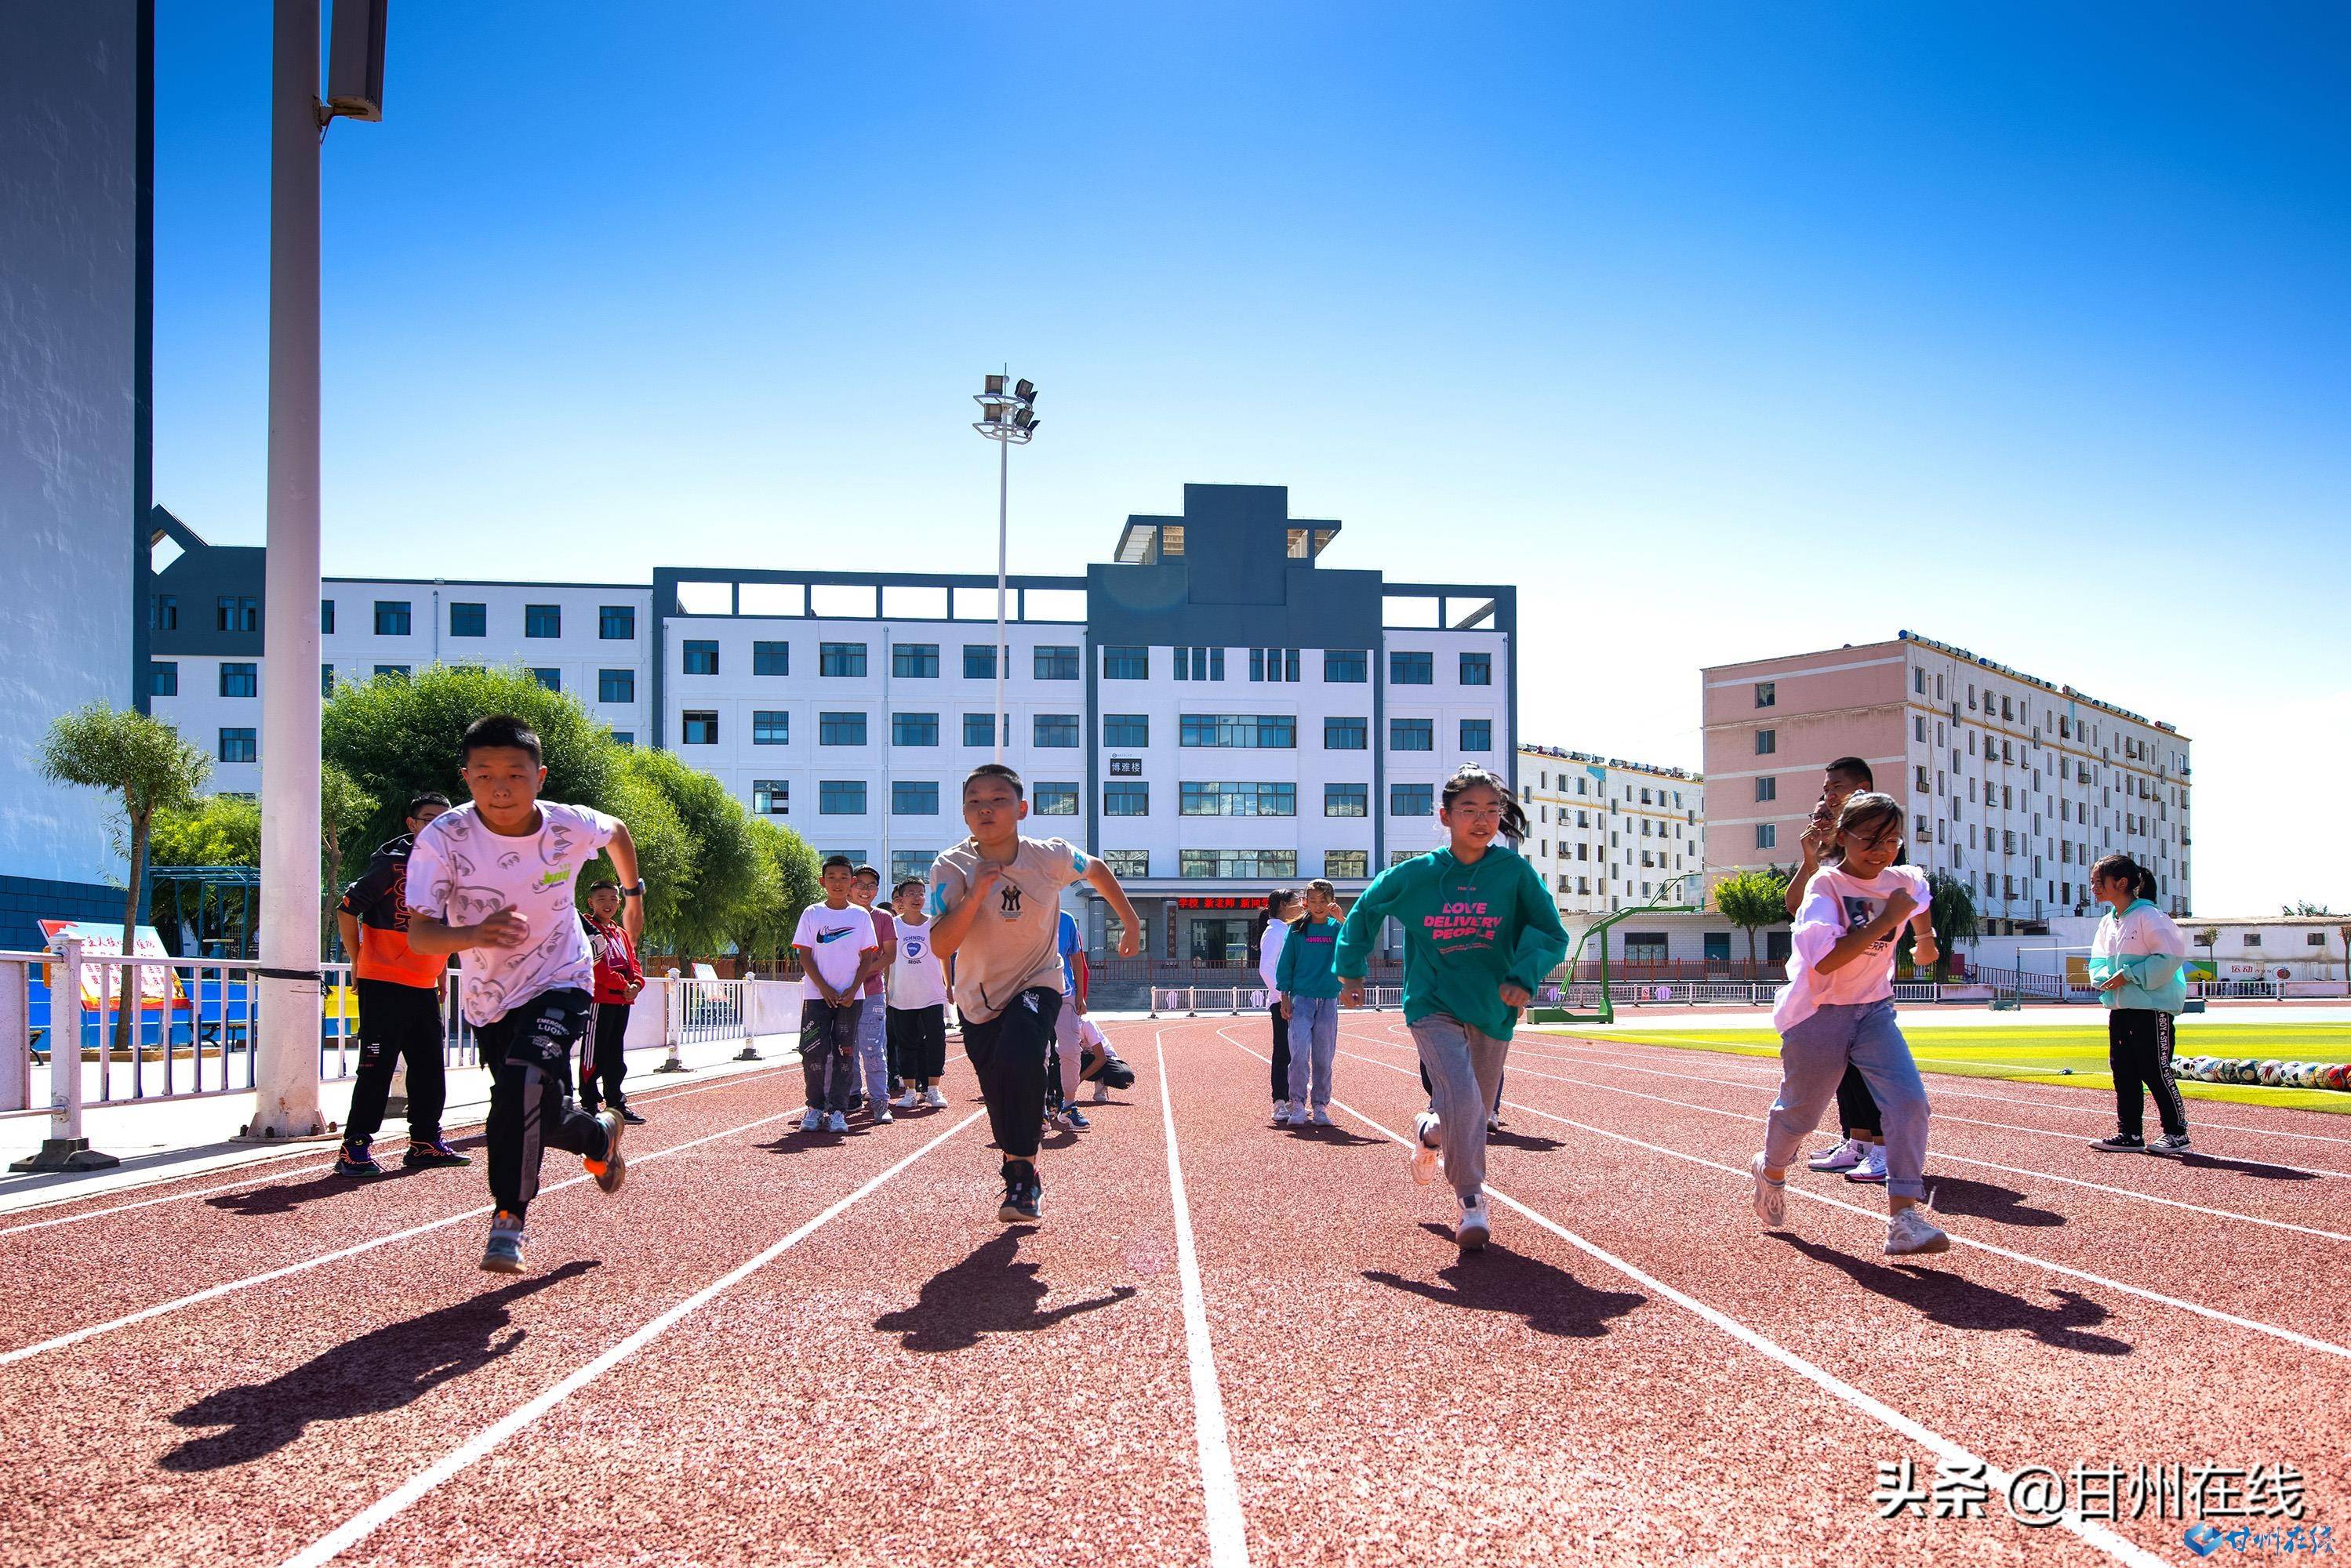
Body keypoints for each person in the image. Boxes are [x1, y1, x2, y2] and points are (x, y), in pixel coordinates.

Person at [403, 715, 638, 1274]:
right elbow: (420, 934)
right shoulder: (444, 840)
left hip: (563, 977)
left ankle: (509, 1218)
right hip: (490, 996)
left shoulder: (568, 825)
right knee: (535, 1105)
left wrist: (633, 895)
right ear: (466, 778)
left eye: (515, 773)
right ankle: (598, 1136)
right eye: (484, 775)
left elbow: (619, 832)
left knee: (522, 1080)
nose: (500, 787)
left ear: (540, 775)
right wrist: (474, 935)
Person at [1336, 764, 1568, 1252]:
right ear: (1446, 816)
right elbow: (1365, 910)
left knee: (1475, 1112)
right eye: (1469, 811)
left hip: (1491, 1005)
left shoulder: (1513, 874)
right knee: (1462, 1097)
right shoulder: (1417, 875)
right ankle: (1471, 1201)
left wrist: (1522, 978)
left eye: (1492, 811)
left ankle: (1429, 1130)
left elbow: (1550, 931)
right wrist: (1351, 970)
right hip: (1432, 1002)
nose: (1482, 821)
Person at [928, 763, 1141, 1224]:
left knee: (1020, 1056)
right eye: (975, 802)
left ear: (1022, 808)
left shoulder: (1050, 856)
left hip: (1040, 978)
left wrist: (1130, 920)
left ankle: (1023, 1173)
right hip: (978, 998)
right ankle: (1016, 1163)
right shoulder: (951, 866)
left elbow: (1098, 869)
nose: (986, 808)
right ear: (965, 814)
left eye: (998, 799)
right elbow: (942, 944)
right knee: (999, 1085)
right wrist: (976, 890)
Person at [1749, 791, 1950, 1258]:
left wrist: (1924, 940)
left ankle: (1903, 1217)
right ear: (1843, 837)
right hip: (1817, 1012)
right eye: (1870, 839)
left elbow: (1919, 900)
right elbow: (1826, 963)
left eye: (1892, 840)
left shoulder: (1904, 879)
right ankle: (1772, 1169)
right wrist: (1889, 921)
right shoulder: (1826, 888)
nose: (1882, 850)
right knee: (1803, 1113)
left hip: (1875, 1008)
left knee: (1908, 1102)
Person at [332, 792, 471, 1177]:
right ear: (412, 824)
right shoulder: (391, 866)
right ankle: (354, 1146)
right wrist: (356, 959)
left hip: (424, 985)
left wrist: (441, 972)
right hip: (384, 982)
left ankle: (425, 1142)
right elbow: (347, 909)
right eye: (429, 819)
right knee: (377, 1067)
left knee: (429, 1068)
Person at [1789, 757, 1891, 1185]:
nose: (1827, 795)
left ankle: (1886, 1146)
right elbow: (1795, 905)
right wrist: (1810, 859)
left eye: (1835, 787)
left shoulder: (1877, 839)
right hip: (1831, 978)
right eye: (1825, 788)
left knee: (1871, 1066)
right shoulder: (1834, 847)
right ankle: (1859, 1140)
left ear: (1861, 788)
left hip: (1864, 973)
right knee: (1843, 1066)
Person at [2086, 854, 2193, 1157]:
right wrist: (2104, 978)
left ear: (2121, 883)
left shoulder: (2151, 915)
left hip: (2151, 1008)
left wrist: (2130, 975)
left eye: (2098, 882)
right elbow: (2097, 961)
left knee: (2155, 1069)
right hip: (2121, 1008)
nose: (2094, 888)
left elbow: (2171, 957)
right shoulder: (2108, 921)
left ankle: (2176, 1133)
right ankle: (2129, 1132)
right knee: (2123, 1070)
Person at [794, 857, 879, 1135]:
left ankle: (839, 1110)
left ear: (852, 883)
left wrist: (852, 989)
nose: (838, 882)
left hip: (851, 998)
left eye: (844, 877)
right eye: (832, 877)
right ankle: (815, 1107)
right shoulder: (812, 914)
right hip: (818, 997)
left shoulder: (860, 916)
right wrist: (825, 988)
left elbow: (867, 957)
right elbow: (805, 955)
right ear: (823, 882)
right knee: (814, 1052)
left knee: (845, 1053)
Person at [1276, 879, 1344, 1126]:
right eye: (1313, 900)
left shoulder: (1337, 929)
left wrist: (1343, 919)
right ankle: (1297, 1105)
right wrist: (1284, 996)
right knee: (1299, 1053)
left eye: (1323, 901)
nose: (1317, 906)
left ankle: (1320, 1106)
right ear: (1305, 902)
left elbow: (1355, 948)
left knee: (1324, 1056)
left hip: (1328, 998)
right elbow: (1286, 964)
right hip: (1301, 1000)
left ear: (1331, 902)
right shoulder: (1296, 930)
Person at [579, 879, 645, 1126]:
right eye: (601, 899)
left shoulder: (621, 933)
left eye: (613, 899)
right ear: (591, 902)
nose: (608, 904)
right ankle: (588, 1103)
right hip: (599, 1000)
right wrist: (622, 985)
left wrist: (636, 985)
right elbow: (596, 966)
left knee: (615, 1055)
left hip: (622, 1002)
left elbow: (633, 962)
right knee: (593, 1053)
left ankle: (616, 1104)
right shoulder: (587, 929)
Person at [886, 877, 950, 1110]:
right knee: (906, 1044)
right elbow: (887, 959)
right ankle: (910, 1092)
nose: (916, 897)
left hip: (932, 994)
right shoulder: (892, 925)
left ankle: (933, 1090)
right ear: (900, 899)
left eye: (920, 893)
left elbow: (944, 956)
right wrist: (885, 989)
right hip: (901, 995)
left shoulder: (934, 923)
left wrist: (949, 988)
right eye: (911, 893)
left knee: (936, 1041)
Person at [848, 866, 900, 1124]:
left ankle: (880, 1099)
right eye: (860, 885)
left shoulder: (883, 918)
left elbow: (890, 955)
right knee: (844, 1049)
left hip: (871, 993)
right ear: (851, 886)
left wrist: (860, 972)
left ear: (877, 890)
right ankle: (852, 1095)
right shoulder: (838, 916)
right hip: (841, 994)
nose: (865, 891)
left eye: (871, 886)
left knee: (873, 1048)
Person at [1254, 888, 1302, 1125]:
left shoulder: (1288, 930)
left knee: (1296, 1053)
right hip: (1282, 1002)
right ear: (1283, 905)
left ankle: (1293, 1099)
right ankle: (1279, 1102)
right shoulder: (1274, 933)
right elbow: (1266, 969)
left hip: (1295, 1000)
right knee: (1283, 1052)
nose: (1301, 905)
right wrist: (1283, 996)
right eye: (1296, 902)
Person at [1048, 907, 1092, 1131]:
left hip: (1066, 994)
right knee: (1037, 1053)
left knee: (1071, 1051)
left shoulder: (1066, 920)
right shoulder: (1023, 915)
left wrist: (1081, 995)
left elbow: (1076, 958)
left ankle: (1069, 1105)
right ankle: (1038, 1108)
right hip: (1032, 994)